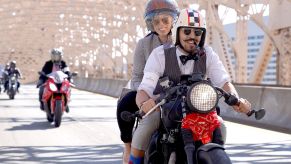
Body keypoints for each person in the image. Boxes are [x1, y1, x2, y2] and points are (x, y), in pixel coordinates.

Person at [128, 8, 252, 163]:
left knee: (220, 125)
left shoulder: (208, 54)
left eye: (197, 33)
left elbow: (223, 81)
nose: (192, 37)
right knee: (148, 122)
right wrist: (145, 103)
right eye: (187, 32)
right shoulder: (160, 54)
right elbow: (144, 89)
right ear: (178, 32)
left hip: (198, 106)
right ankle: (134, 161)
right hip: (165, 105)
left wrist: (236, 99)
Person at [116, 0, 179, 163]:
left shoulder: (183, 40)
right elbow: (137, 76)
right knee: (124, 103)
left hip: (178, 92)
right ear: (150, 23)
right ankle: (128, 146)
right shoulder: (143, 44)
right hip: (149, 92)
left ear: (175, 20)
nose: (161, 25)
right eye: (155, 21)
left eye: (165, 20)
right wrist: (143, 93)